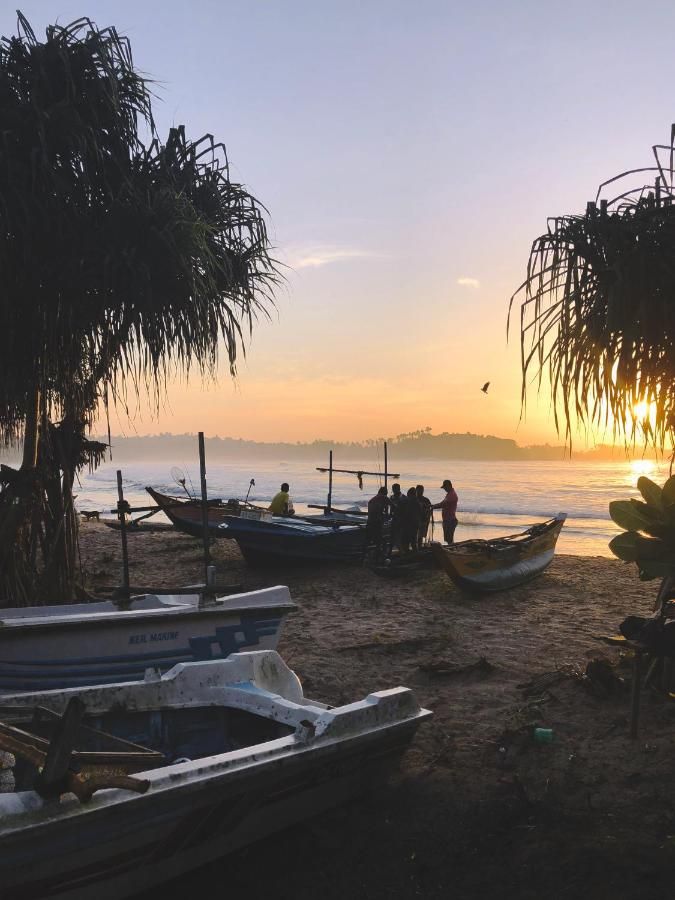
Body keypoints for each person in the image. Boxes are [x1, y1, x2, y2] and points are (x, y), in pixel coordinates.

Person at [432, 478, 458, 544]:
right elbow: (442, 503)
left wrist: (433, 507)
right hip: (447, 520)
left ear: (449, 485)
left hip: (450, 521)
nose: (444, 489)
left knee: (449, 539)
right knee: (447, 539)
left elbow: (442, 504)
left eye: (445, 487)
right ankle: (451, 549)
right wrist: (433, 506)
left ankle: (451, 551)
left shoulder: (452, 495)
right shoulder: (449, 494)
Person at [367, 486, 388, 559]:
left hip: (369, 522)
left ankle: (367, 554)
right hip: (376, 522)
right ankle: (379, 554)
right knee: (379, 540)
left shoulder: (372, 500)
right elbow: (393, 506)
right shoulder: (384, 497)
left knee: (370, 539)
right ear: (384, 493)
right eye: (386, 493)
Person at [402, 487, 422, 553]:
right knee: (413, 541)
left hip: (410, 524)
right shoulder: (417, 502)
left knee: (407, 541)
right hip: (415, 524)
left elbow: (406, 513)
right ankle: (415, 553)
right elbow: (421, 513)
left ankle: (411, 554)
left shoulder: (409, 502)